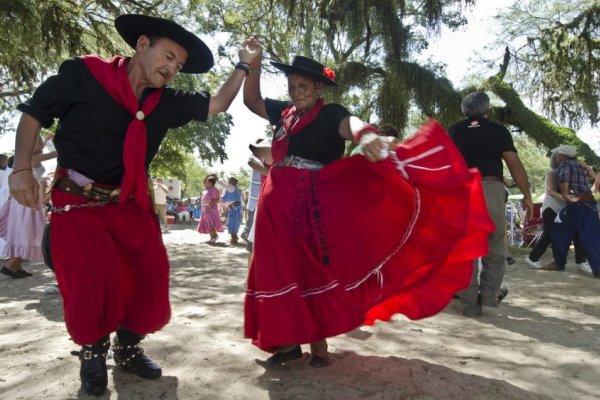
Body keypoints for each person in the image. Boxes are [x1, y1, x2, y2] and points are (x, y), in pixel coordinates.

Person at [9, 14, 257, 396]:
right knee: (93, 280)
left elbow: (220, 104)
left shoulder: (167, 102)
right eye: (169, 56)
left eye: (179, 65)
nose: (173, 69)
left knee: (148, 275)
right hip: (77, 201)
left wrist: (243, 64)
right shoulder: (83, 74)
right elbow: (33, 111)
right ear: (142, 44)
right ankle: (93, 352)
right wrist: (21, 168)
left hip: (128, 202)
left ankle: (127, 348)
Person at [243, 45, 493, 368]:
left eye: (303, 87)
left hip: (313, 208)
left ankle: (319, 348)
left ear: (319, 88)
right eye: (291, 87)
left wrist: (365, 136)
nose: (296, 93)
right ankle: (286, 344)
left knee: (311, 271)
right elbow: (251, 101)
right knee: (275, 272)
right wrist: (253, 65)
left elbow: (352, 124)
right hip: (275, 206)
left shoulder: (331, 113)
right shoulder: (284, 113)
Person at [448, 90, 534, 318]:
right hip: (491, 189)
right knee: (494, 244)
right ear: (487, 109)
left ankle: (469, 304)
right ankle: (488, 299)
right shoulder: (498, 131)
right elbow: (514, 163)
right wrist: (526, 194)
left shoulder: (454, 130)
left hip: (462, 190)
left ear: (464, 110)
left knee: (465, 247)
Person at [526, 148, 591, 273]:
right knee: (549, 233)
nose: (558, 159)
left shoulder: (574, 171)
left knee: (578, 232)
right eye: (557, 157)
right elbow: (550, 191)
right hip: (552, 207)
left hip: (567, 208)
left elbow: (592, 178)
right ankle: (532, 258)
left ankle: (581, 261)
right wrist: (568, 199)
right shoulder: (553, 173)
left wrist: (585, 167)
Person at [540, 145, 600, 278]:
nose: (555, 156)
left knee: (558, 232)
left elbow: (565, 179)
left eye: (557, 154)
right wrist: (588, 168)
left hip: (575, 203)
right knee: (590, 237)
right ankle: (598, 268)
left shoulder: (564, 164)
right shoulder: (580, 165)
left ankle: (559, 263)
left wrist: (566, 194)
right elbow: (593, 178)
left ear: (562, 155)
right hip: (589, 203)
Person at [0, 138, 56, 278]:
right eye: (39, 141)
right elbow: (57, 153)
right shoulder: (34, 158)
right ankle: (11, 265)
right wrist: (54, 142)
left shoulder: (24, 160)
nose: (42, 144)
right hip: (28, 201)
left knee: (24, 232)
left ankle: (16, 267)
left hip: (23, 200)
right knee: (28, 232)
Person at [197, 174, 224, 243]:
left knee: (210, 223)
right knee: (207, 223)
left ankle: (215, 236)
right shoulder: (207, 188)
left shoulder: (214, 189)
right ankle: (212, 237)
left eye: (207, 182)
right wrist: (208, 175)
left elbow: (216, 199)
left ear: (211, 183)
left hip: (210, 209)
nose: (205, 183)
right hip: (204, 209)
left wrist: (210, 206)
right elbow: (204, 181)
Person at [220, 177, 243, 244]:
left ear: (231, 182)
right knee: (234, 222)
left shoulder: (231, 188)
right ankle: (234, 237)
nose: (227, 182)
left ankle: (234, 238)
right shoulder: (235, 189)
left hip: (234, 206)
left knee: (232, 223)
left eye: (229, 181)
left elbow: (221, 183)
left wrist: (218, 179)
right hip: (236, 206)